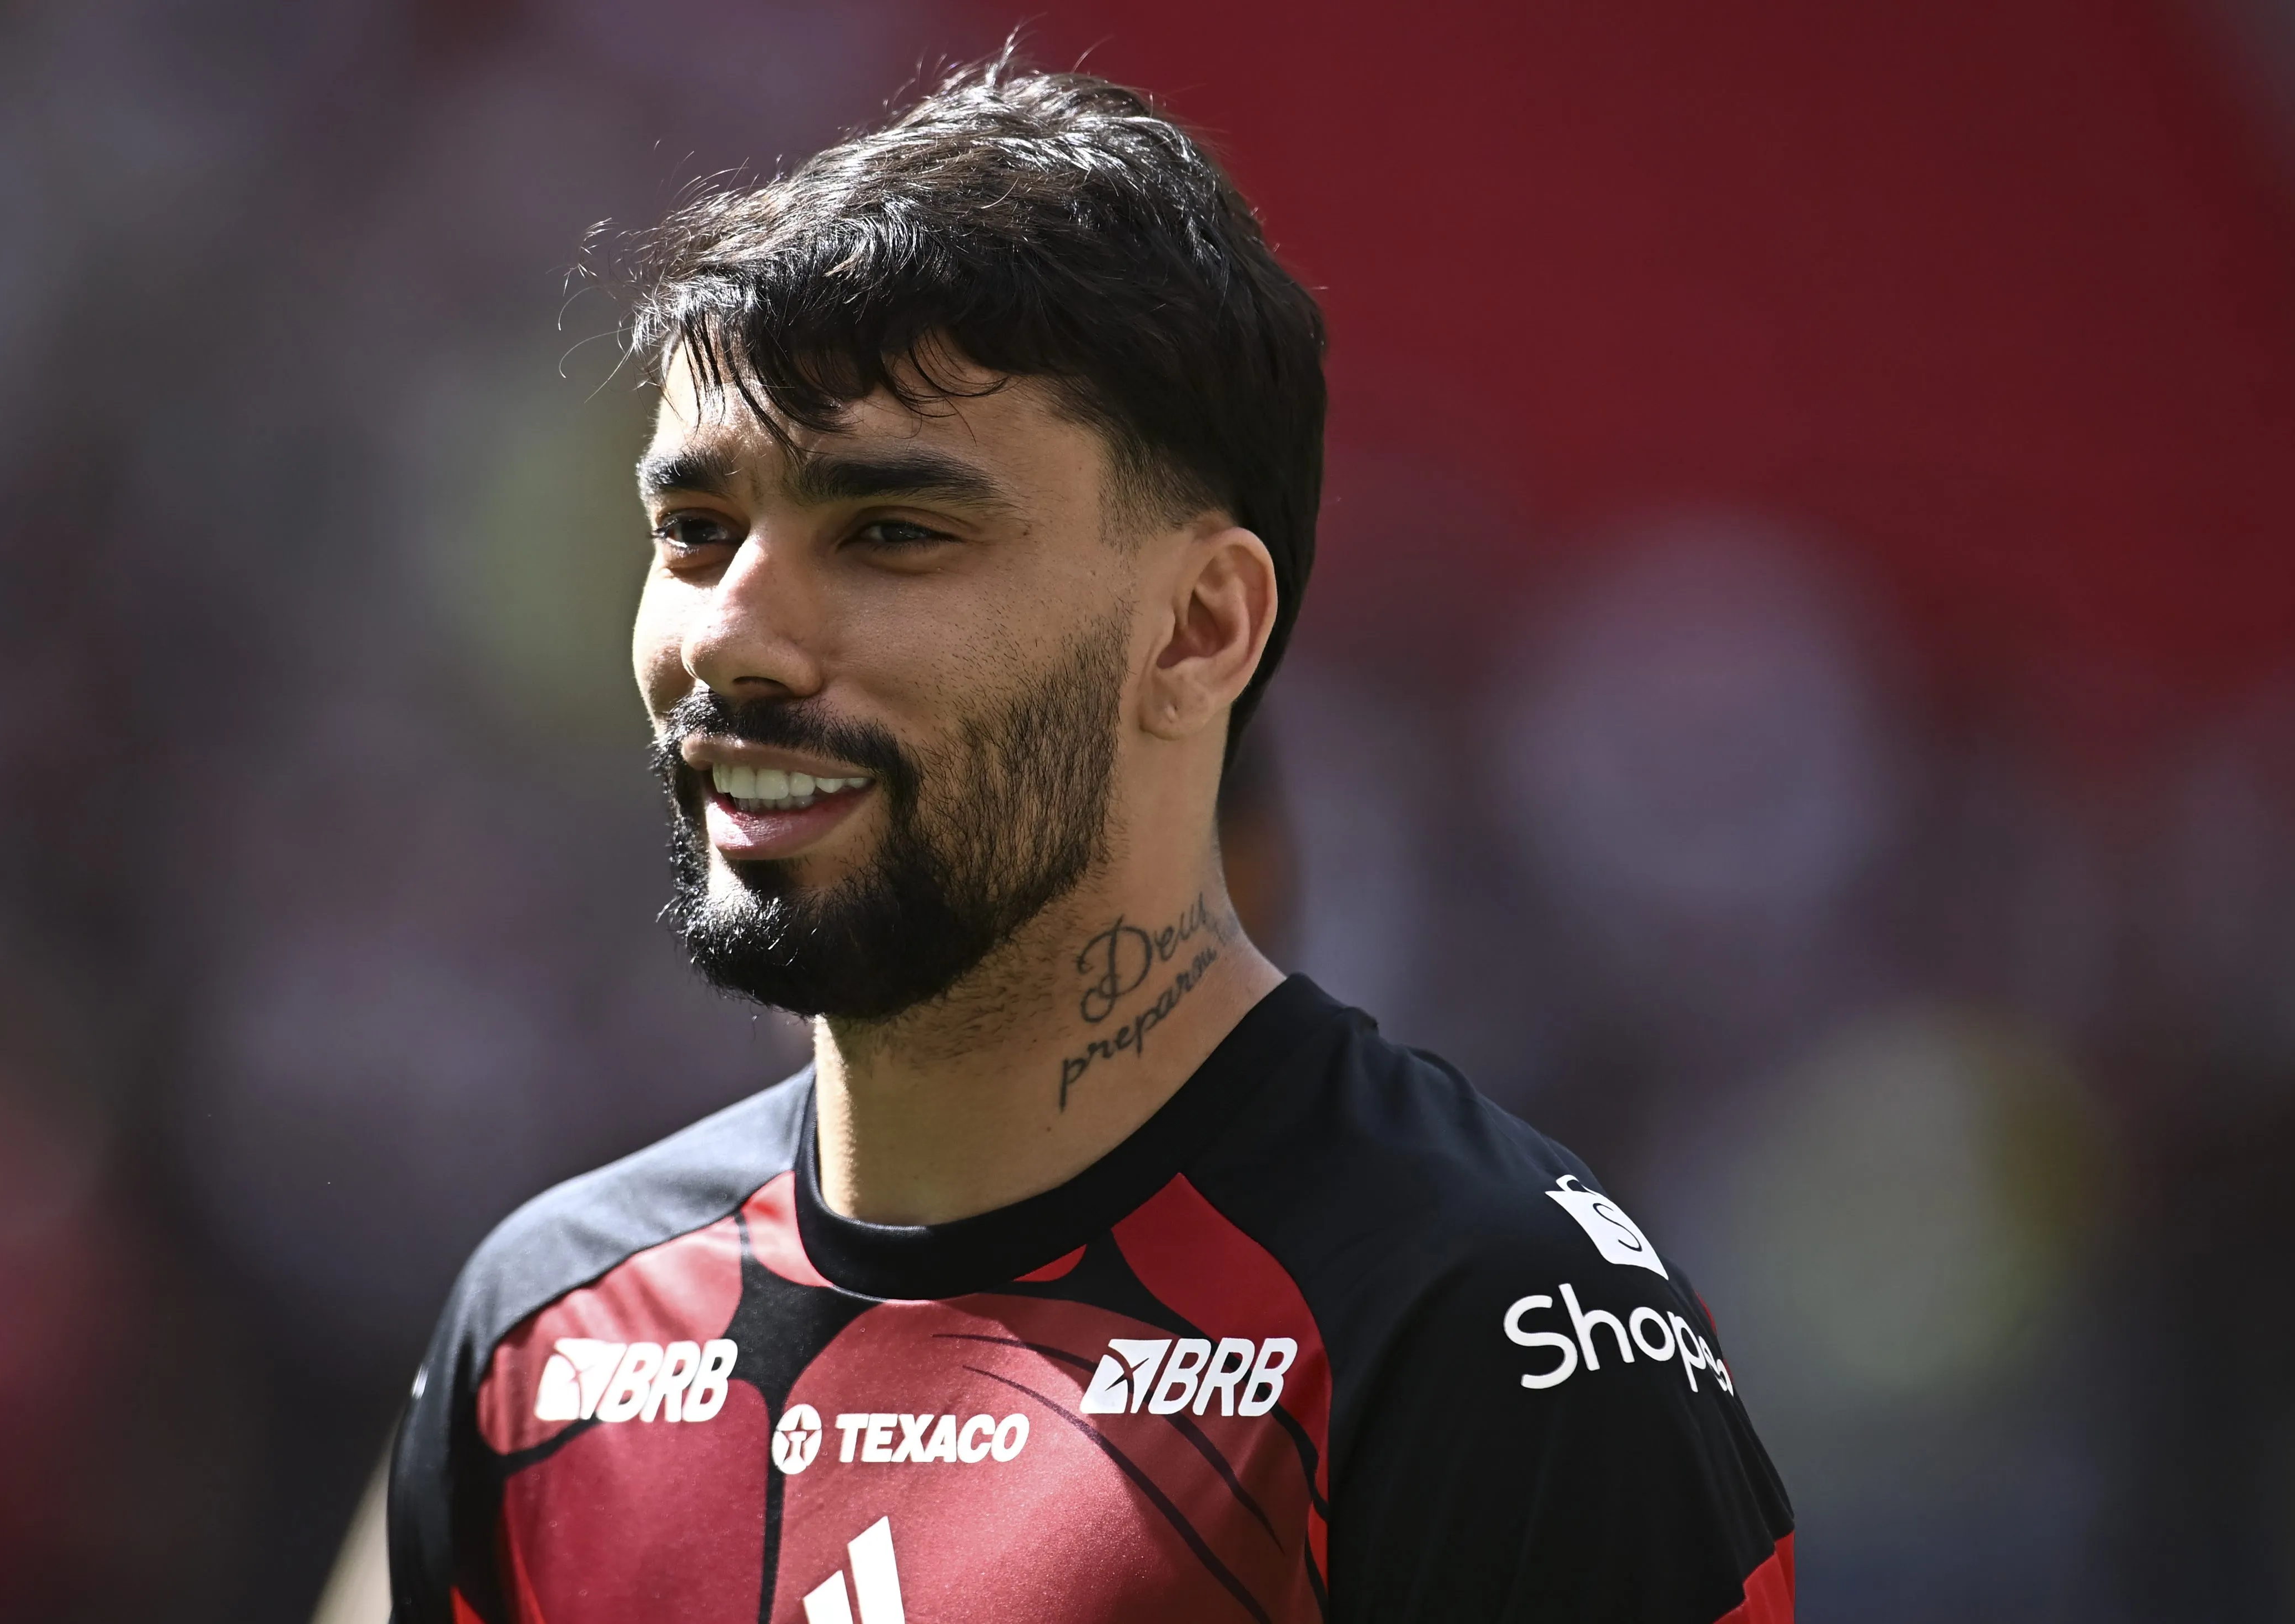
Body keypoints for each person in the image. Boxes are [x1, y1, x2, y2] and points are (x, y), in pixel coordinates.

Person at [371, 58, 1792, 1624]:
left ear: (1197, 629)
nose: (735, 640)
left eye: (893, 532)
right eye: (696, 532)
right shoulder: (548, 1335)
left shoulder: (1476, 1325)